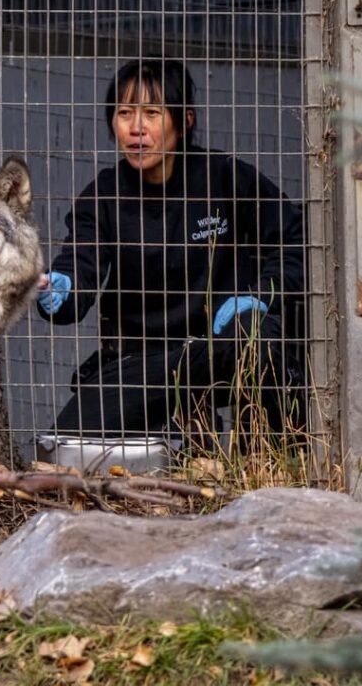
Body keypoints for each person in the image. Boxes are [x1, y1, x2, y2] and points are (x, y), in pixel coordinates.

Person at [37, 58, 304, 446]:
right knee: (64, 444)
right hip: (144, 364)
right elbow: (80, 265)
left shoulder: (224, 175)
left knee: (258, 338)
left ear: (185, 120)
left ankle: (277, 464)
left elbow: (295, 237)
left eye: (152, 113)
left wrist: (260, 296)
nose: (136, 128)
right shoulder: (103, 194)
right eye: (124, 113)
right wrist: (59, 288)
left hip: (221, 349)